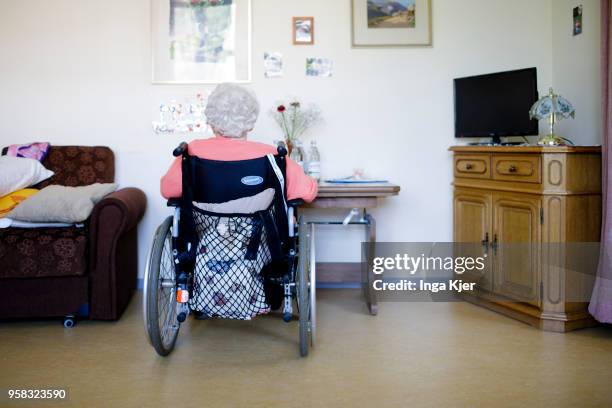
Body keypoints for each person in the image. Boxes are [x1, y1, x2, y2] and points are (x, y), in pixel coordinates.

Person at [161, 83, 318, 203]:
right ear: (251, 122)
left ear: (210, 120)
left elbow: (168, 190)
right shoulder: (273, 155)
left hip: (206, 239)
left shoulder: (192, 151)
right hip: (259, 241)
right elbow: (307, 192)